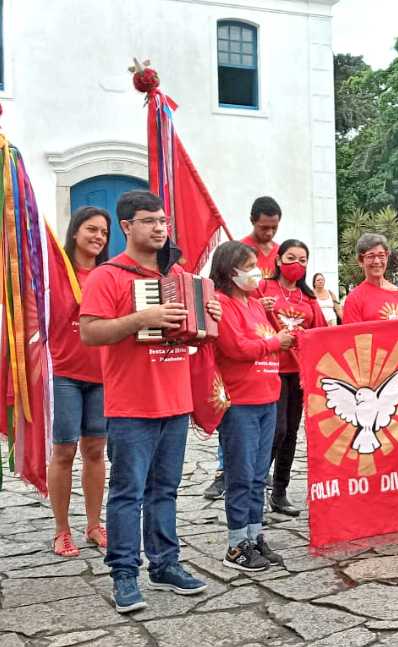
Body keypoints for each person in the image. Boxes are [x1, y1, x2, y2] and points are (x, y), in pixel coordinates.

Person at [80, 190, 221, 613]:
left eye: (163, 221)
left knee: (166, 490)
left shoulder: (178, 277)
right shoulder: (108, 276)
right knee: (128, 492)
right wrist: (142, 319)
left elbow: (196, 334)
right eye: (149, 221)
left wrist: (208, 316)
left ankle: (165, 564)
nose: (160, 228)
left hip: (175, 401)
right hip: (131, 405)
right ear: (127, 226)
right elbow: (90, 332)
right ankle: (124, 573)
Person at [211, 241, 291, 571]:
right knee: (241, 476)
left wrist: (282, 337)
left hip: (267, 398)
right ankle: (235, 545)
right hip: (240, 402)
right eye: (249, 266)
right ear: (230, 271)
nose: (256, 272)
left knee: (258, 476)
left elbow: (271, 340)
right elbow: (236, 347)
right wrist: (275, 342)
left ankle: (254, 534)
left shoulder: (256, 304)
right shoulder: (221, 303)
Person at [47, 207, 111, 557]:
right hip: (65, 374)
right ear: (75, 231)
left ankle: (94, 524)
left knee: (95, 450)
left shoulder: (108, 275)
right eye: (91, 229)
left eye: (104, 232)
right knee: (64, 451)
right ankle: (61, 530)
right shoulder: (55, 272)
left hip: (101, 375)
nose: (98, 236)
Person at [257, 240, 327, 517]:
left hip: (299, 372)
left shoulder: (309, 298)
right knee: (277, 430)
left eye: (302, 259)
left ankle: (280, 492)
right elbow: (245, 316)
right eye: (290, 258)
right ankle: (257, 486)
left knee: (290, 433)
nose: (296, 264)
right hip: (269, 369)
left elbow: (322, 333)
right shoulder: (263, 288)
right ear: (278, 260)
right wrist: (258, 306)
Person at [343, 233, 398, 322]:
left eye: (381, 256)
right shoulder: (355, 299)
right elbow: (352, 330)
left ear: (387, 258)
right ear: (361, 261)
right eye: (371, 256)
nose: (377, 261)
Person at [240, 196, 282, 276]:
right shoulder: (239, 250)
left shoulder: (282, 253)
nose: (269, 233)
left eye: (274, 227)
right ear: (252, 221)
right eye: (264, 228)